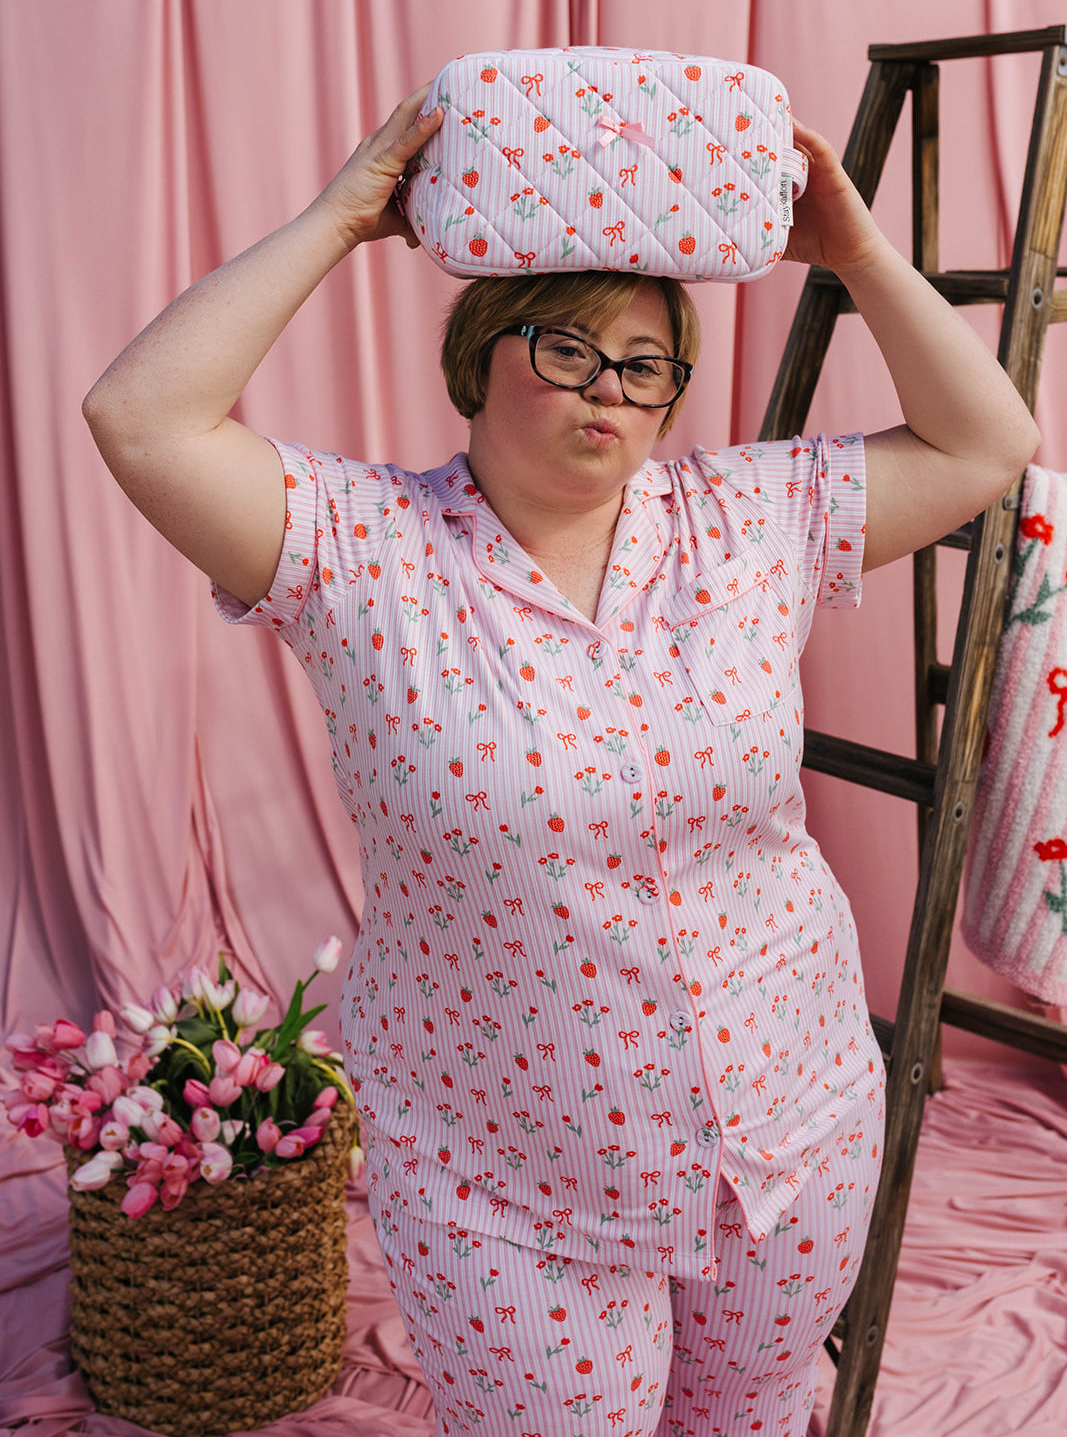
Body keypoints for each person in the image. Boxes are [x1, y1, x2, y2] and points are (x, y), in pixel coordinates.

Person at [83, 85, 1039, 1437]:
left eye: (648, 364)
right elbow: (140, 417)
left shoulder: (749, 521)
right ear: (480, 357)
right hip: (505, 1171)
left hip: (787, 1126)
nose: (610, 387)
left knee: (756, 1416)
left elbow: (990, 441)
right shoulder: (359, 549)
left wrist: (858, 252)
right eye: (569, 346)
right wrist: (344, 216)